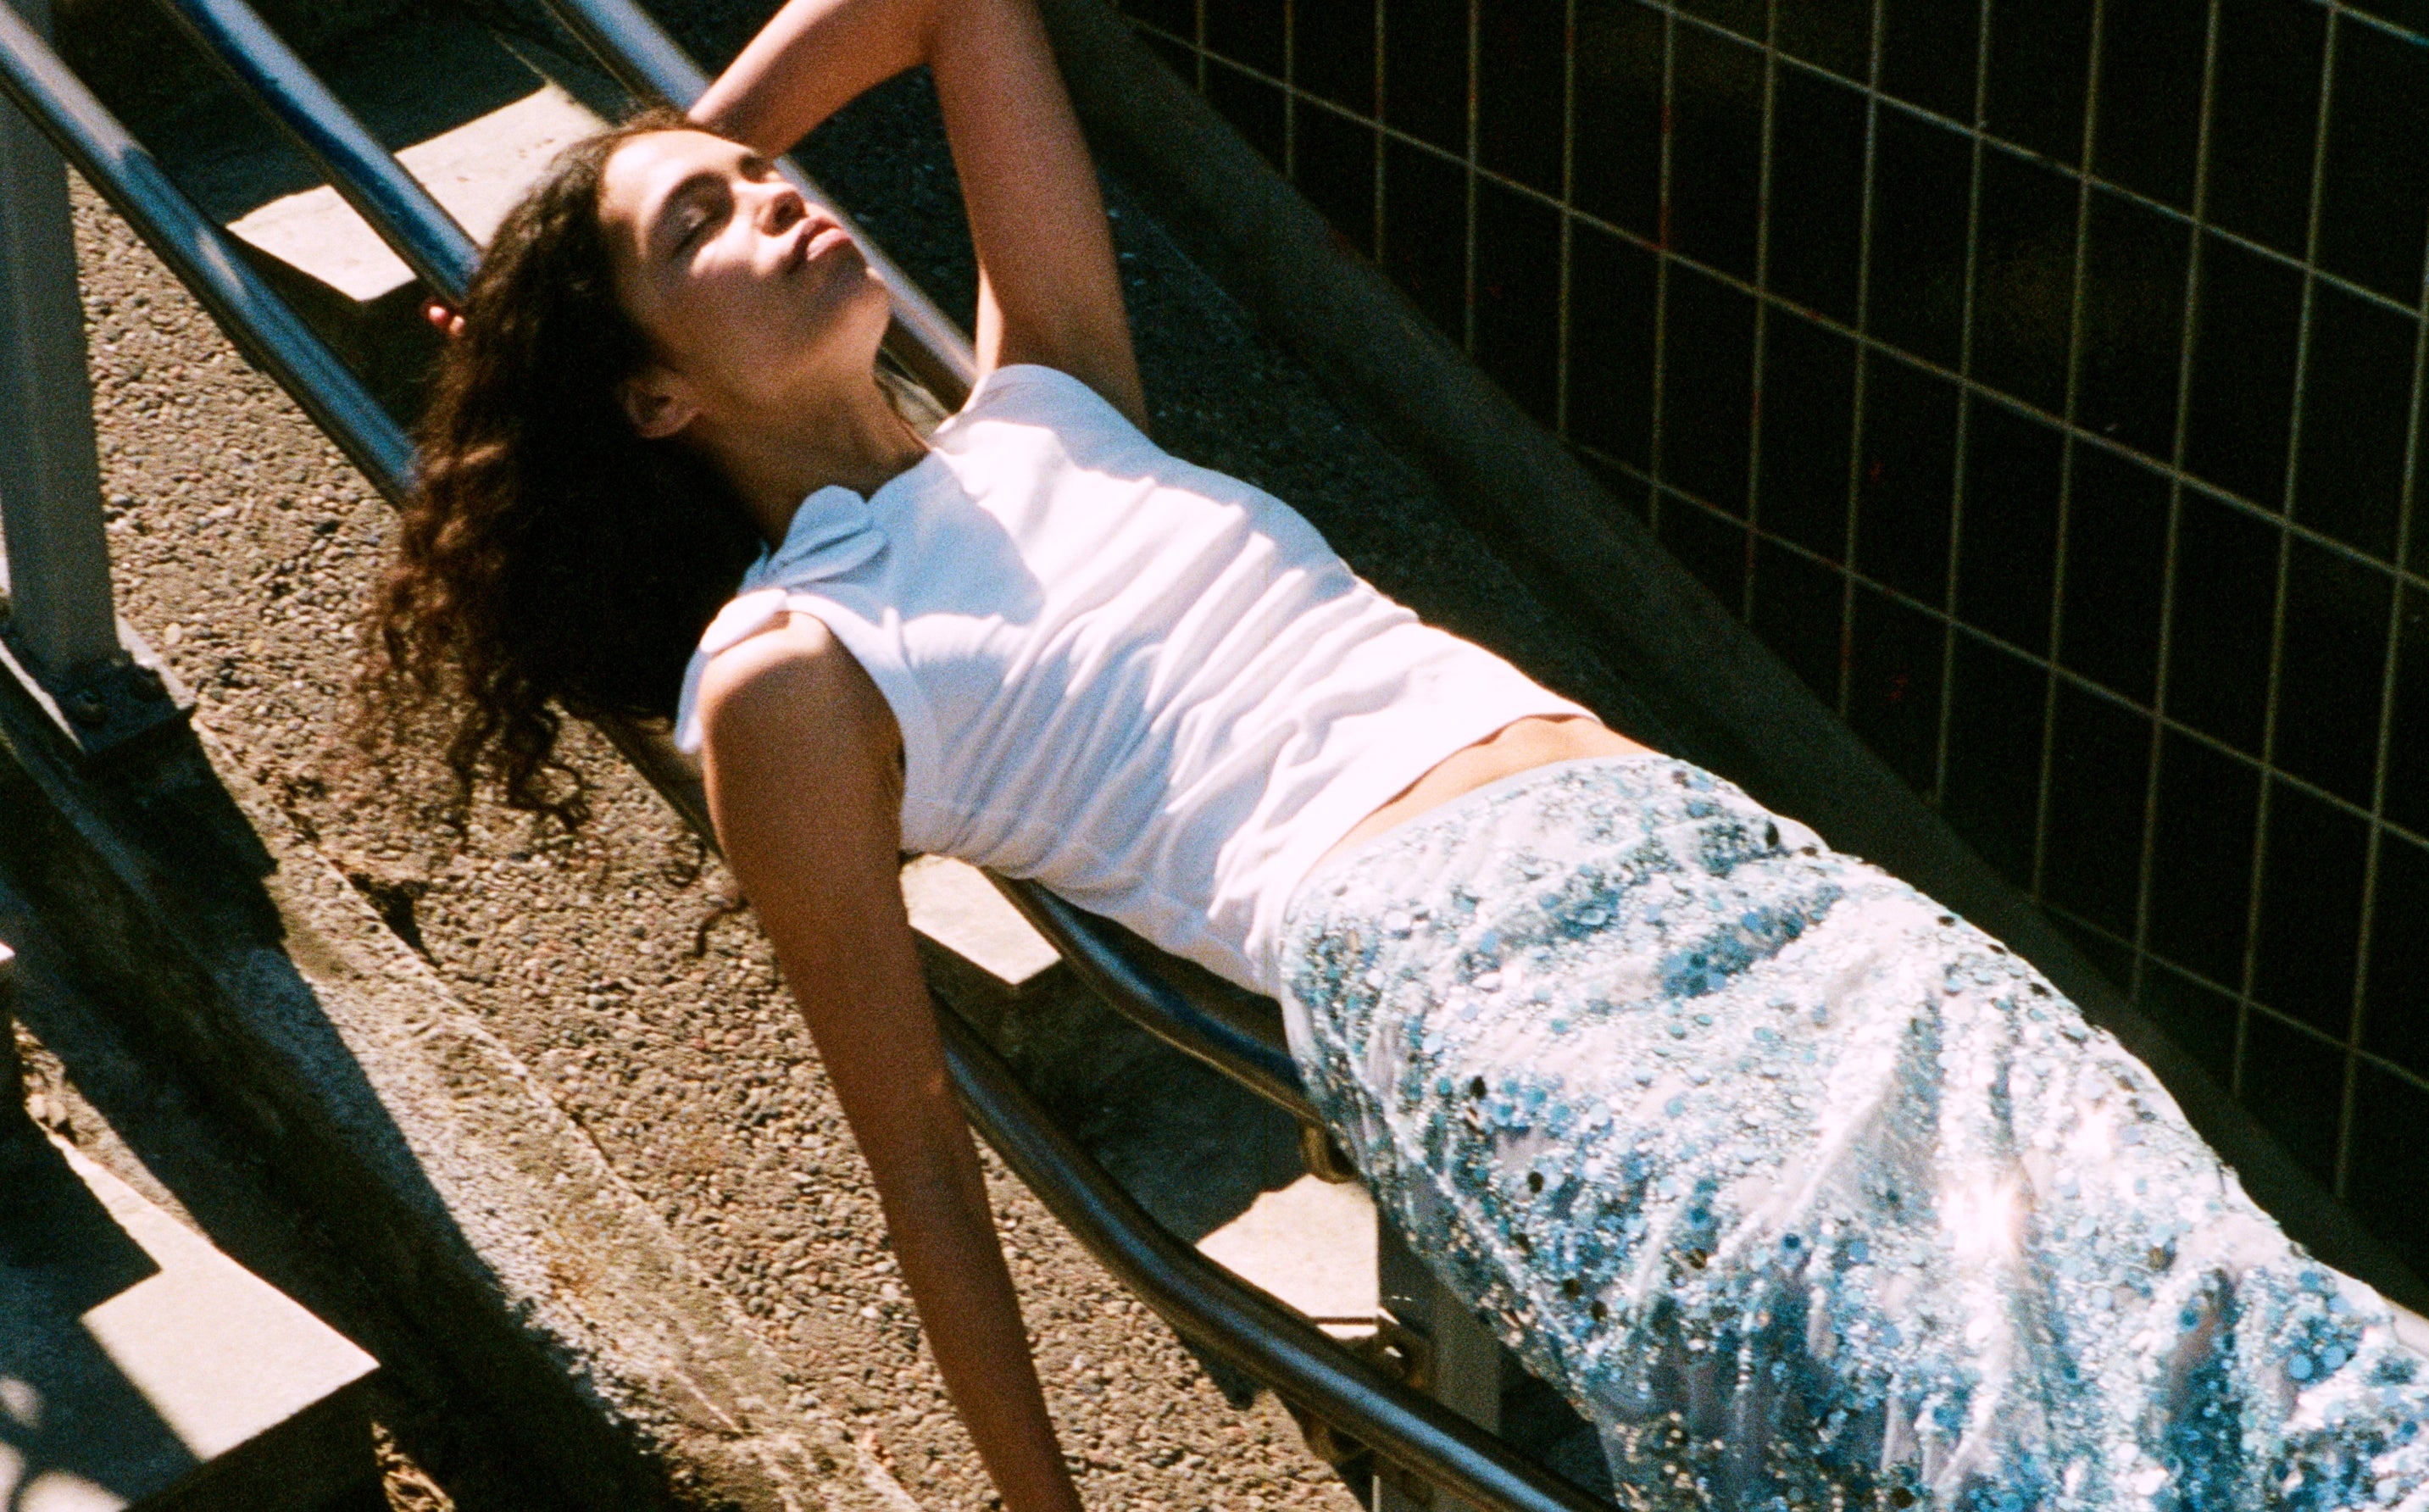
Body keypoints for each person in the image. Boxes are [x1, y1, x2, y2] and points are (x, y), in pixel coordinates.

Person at [362, 0, 2429, 1504]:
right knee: (1924, 1379)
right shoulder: (790, 666)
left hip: (1681, 845)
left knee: (2148, 1235)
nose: (773, 202)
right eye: (706, 234)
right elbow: (914, 1154)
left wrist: (656, 166)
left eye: (761, 179)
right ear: (649, 401)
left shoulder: (1052, 395)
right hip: (1462, 961)